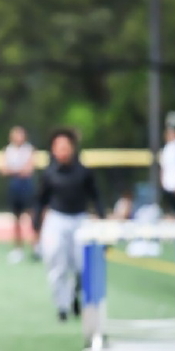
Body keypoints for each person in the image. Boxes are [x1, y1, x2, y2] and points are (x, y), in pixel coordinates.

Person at [32, 127, 105, 322]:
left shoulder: (84, 172)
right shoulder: (49, 174)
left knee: (82, 266)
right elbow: (40, 201)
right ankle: (62, 306)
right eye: (58, 147)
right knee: (57, 263)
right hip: (57, 219)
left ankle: (75, 295)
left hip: (80, 220)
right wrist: (36, 226)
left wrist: (102, 219)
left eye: (66, 146)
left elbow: (96, 197)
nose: (62, 150)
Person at [0, 126, 36, 263]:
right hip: (14, 186)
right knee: (16, 218)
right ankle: (18, 248)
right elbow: (4, 170)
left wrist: (13, 169)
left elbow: (28, 170)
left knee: (32, 216)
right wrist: (18, 170)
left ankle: (35, 246)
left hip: (26, 186)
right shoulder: (8, 150)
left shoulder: (29, 149)